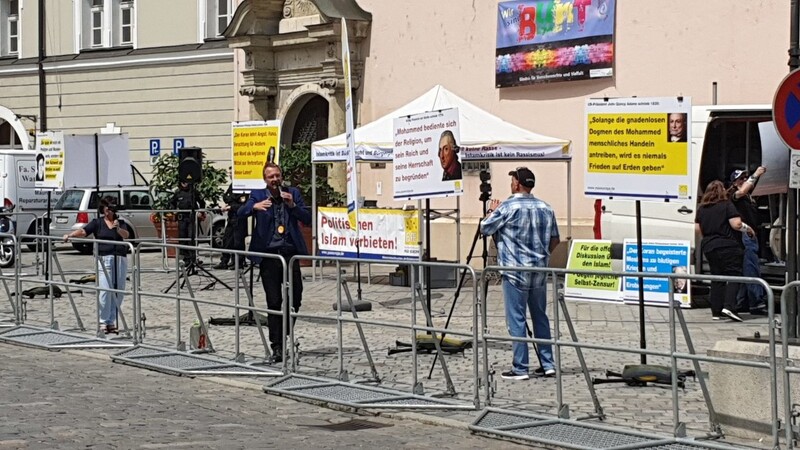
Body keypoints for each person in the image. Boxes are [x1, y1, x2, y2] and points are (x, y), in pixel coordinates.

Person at [480, 167, 560, 380]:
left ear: (516, 183)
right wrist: (542, 256)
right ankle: (548, 363)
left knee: (516, 319)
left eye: (513, 180)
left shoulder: (508, 206)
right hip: (539, 271)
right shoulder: (546, 207)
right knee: (540, 317)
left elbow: (485, 228)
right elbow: (555, 239)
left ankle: (520, 367)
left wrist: (491, 211)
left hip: (515, 271)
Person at [238, 163, 311, 363]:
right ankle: (277, 346)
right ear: (265, 179)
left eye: (277, 175)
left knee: (296, 297)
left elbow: (308, 219)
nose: (275, 179)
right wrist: (253, 207)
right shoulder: (258, 194)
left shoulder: (293, 193)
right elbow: (240, 213)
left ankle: (285, 330)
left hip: (290, 254)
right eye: (271, 177)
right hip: (269, 256)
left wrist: (293, 206)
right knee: (274, 301)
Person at [62, 197, 130, 334]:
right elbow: (84, 231)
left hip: (120, 258)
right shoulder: (97, 223)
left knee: (119, 291)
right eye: (106, 209)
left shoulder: (120, 223)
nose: (108, 212)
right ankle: (103, 321)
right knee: (105, 290)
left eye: (110, 209)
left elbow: (126, 235)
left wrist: (118, 229)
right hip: (105, 259)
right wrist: (69, 235)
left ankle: (111, 320)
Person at [695, 180, 748, 322]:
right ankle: (730, 306)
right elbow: (736, 224)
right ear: (722, 191)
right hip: (728, 245)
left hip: (709, 246)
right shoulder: (726, 205)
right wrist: (748, 229)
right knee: (734, 275)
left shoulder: (702, 209)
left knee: (717, 277)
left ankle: (716, 311)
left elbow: (697, 229)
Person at [729, 167, 768, 315]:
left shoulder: (748, 198)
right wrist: (756, 175)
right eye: (741, 179)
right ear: (734, 183)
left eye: (745, 178)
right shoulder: (734, 194)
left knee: (747, 268)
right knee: (751, 268)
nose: (744, 180)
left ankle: (742, 302)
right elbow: (742, 191)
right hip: (745, 236)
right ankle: (756, 302)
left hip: (751, 235)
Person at [169, 181, 206, 266]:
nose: (184, 184)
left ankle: (193, 258)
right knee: (183, 239)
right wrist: (173, 210)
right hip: (182, 218)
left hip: (191, 218)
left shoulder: (194, 192)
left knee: (191, 238)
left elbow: (202, 202)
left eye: (186, 182)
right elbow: (171, 203)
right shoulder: (178, 193)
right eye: (183, 182)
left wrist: (201, 211)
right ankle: (185, 259)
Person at [213, 180, 248, 270]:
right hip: (231, 217)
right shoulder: (233, 185)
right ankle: (224, 261)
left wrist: (231, 206)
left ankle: (238, 263)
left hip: (239, 217)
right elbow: (226, 197)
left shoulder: (243, 186)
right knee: (227, 240)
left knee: (238, 242)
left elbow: (243, 205)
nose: (230, 174)